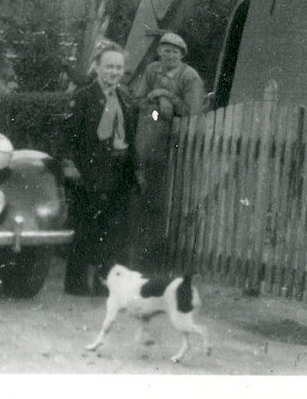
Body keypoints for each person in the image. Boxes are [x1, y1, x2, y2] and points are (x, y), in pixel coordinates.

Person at [61, 41, 138, 295]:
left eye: (118, 67)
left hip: (119, 169)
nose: (113, 72)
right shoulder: (83, 97)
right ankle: (76, 284)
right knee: (84, 227)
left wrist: (135, 169)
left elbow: (131, 136)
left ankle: (105, 284)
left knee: (114, 232)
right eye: (109, 67)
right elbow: (66, 136)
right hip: (90, 171)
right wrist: (69, 164)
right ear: (97, 68)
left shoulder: (126, 99)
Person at [130, 31, 205, 270]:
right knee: (142, 198)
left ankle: (156, 259)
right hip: (151, 130)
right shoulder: (153, 70)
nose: (169, 55)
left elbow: (192, 112)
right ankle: (138, 256)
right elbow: (140, 100)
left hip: (177, 141)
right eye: (165, 50)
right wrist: (156, 105)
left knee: (163, 201)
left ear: (182, 55)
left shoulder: (190, 77)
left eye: (174, 52)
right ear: (159, 52)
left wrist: (165, 95)